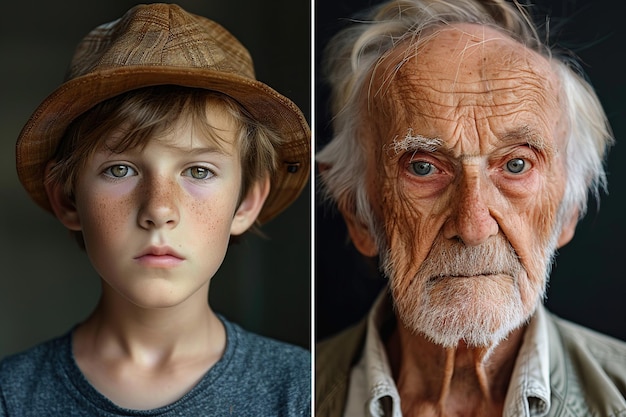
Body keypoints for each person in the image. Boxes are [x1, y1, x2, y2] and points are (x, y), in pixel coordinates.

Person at [315, 0, 626, 416]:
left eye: (516, 165)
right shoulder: (292, 394)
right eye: (423, 168)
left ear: (569, 210)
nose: (473, 224)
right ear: (357, 213)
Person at [0, 3, 310, 416]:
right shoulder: (12, 396)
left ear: (247, 201)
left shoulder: (300, 390)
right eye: (120, 169)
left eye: (198, 170)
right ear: (68, 199)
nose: (159, 209)